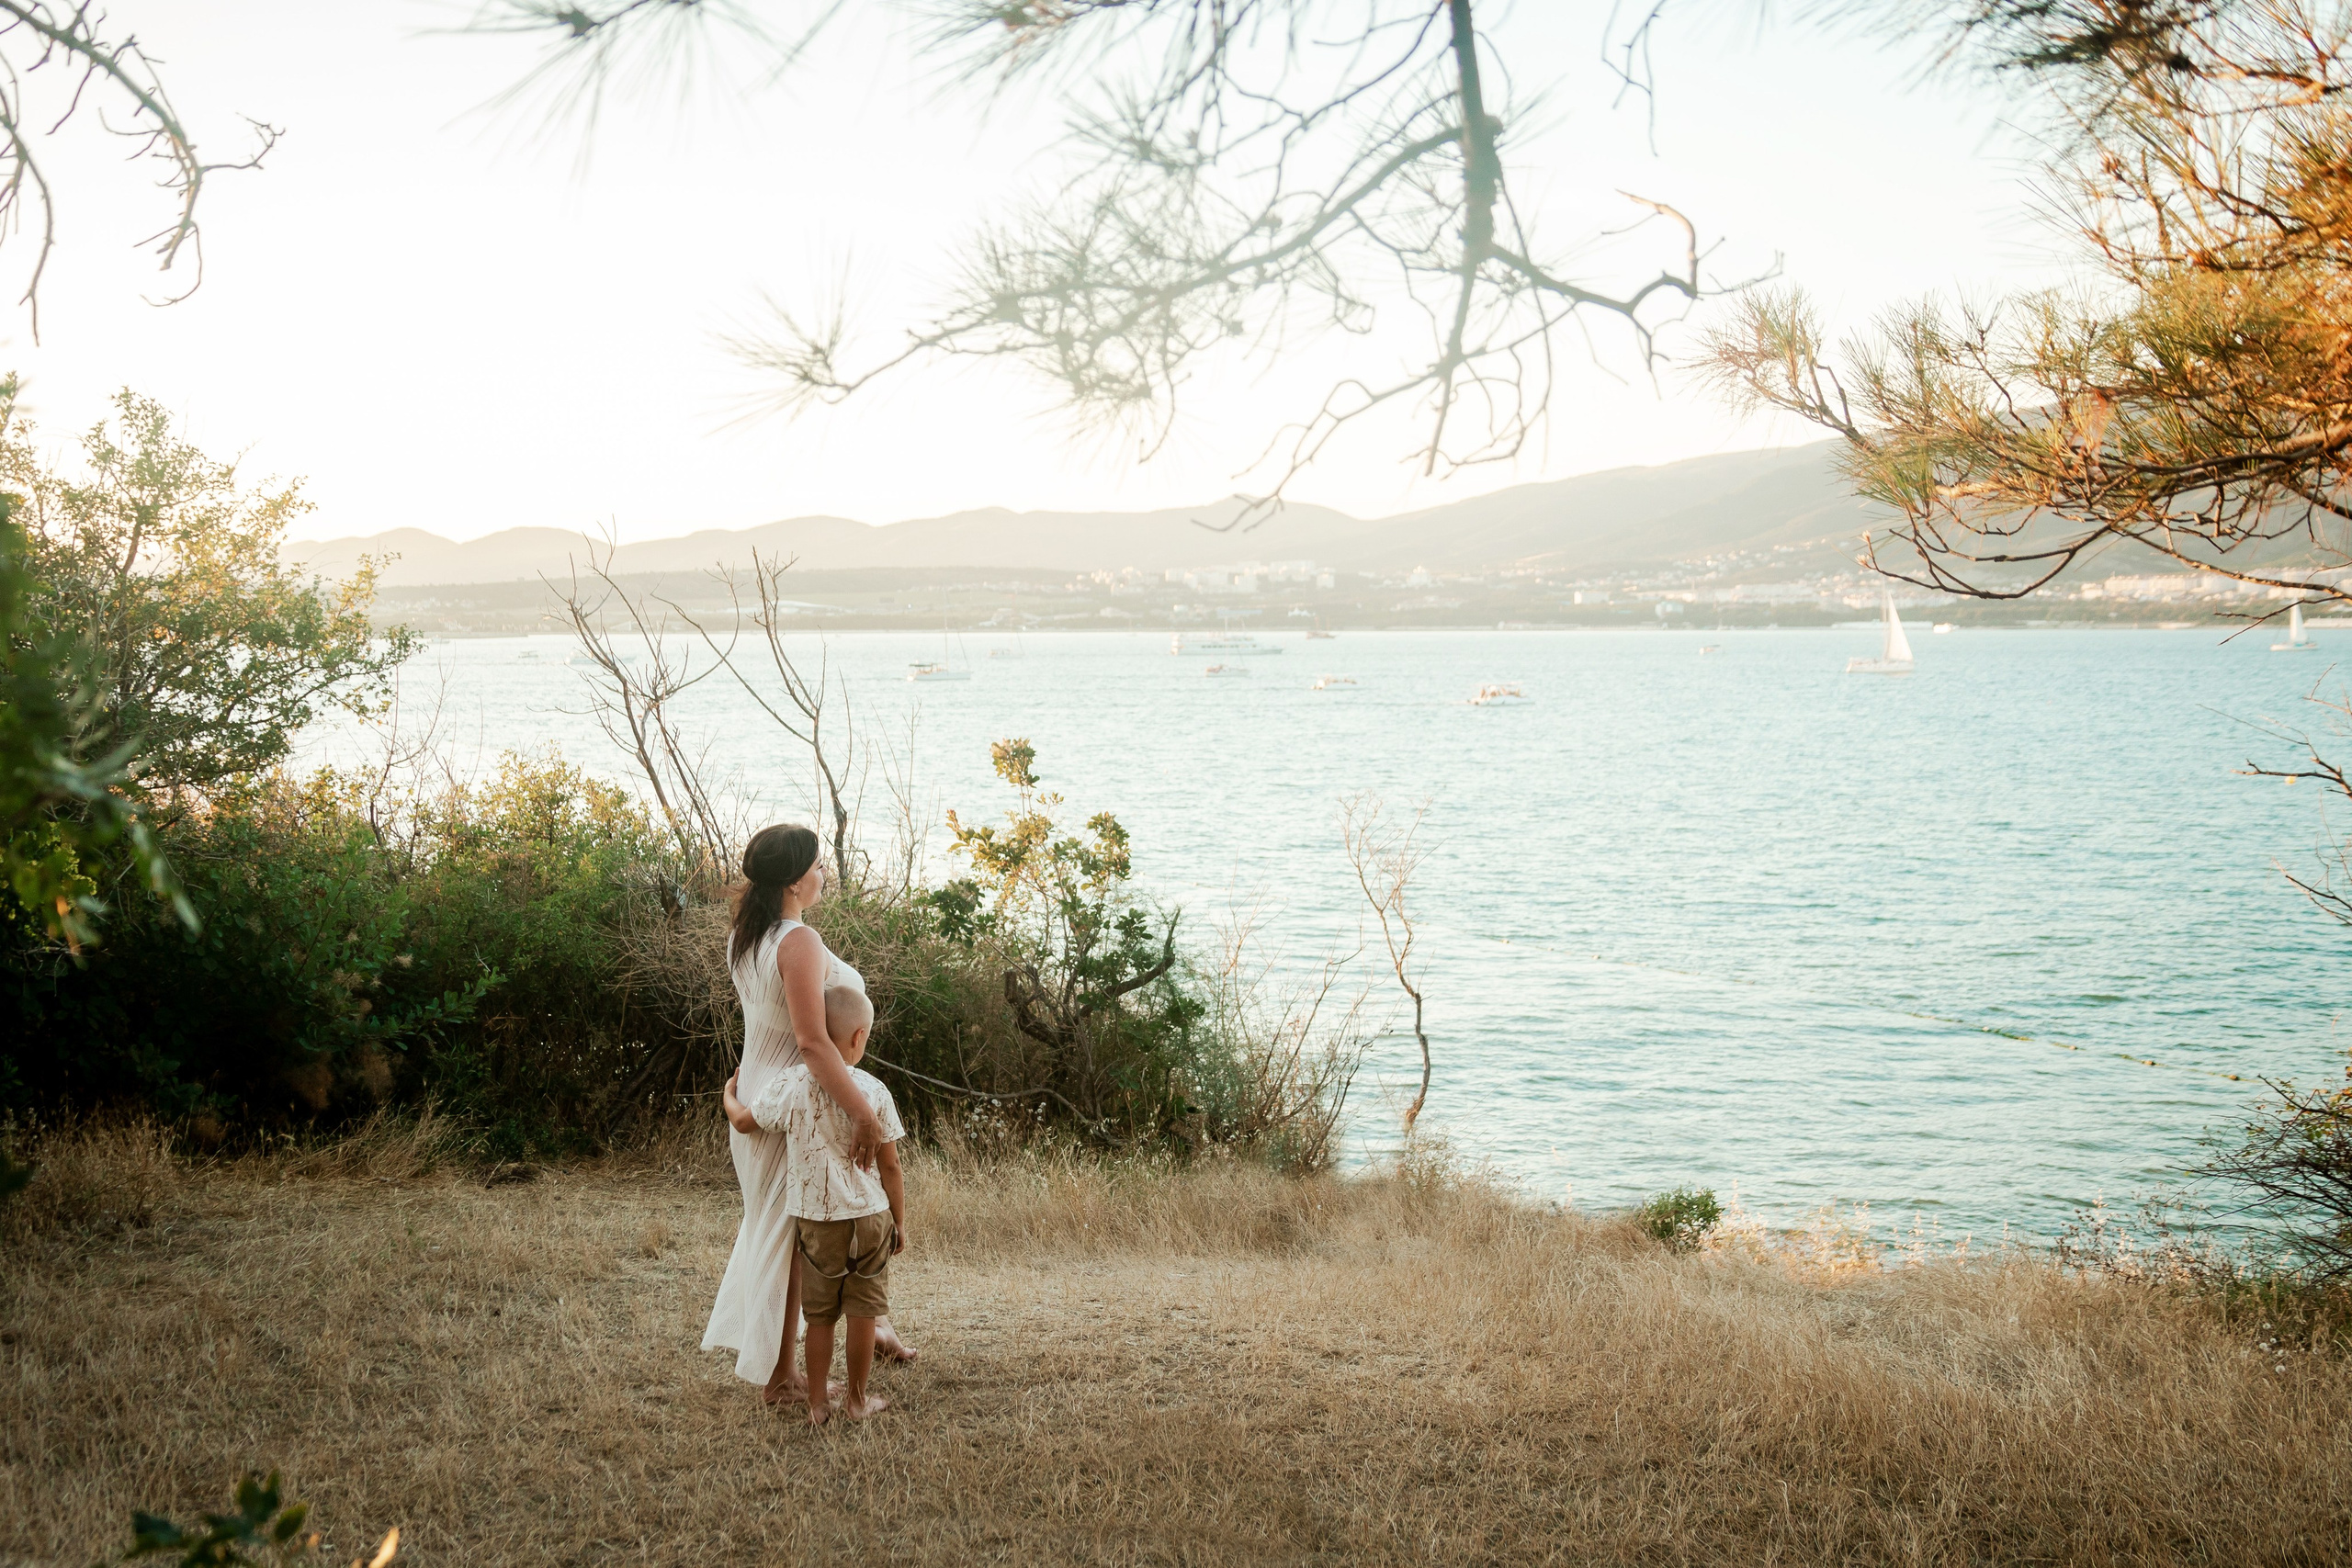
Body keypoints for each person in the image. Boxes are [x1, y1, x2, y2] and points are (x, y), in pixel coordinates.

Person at [700, 824, 916, 1407]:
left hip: (763, 1095)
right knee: (791, 1238)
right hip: (791, 1105)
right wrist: (865, 1115)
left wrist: (735, 1103)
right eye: (819, 866)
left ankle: (843, 1341)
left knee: (787, 1234)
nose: (825, 874)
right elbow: (813, 1042)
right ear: (796, 881)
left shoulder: (750, 934)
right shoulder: (797, 942)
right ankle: (781, 1379)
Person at [725, 985, 906, 1425]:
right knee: (864, 1313)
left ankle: (817, 1405)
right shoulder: (875, 1091)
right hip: (870, 1217)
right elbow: (892, 1166)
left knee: (820, 1316)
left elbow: (746, 1123)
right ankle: (858, 1402)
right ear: (859, 1038)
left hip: (817, 1222)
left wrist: (729, 1096)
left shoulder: (789, 1085)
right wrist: (899, 1222)